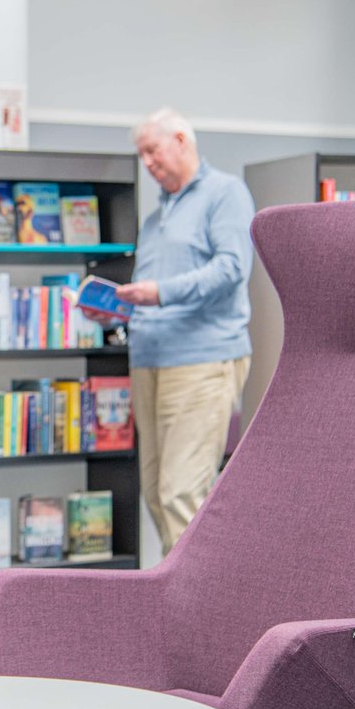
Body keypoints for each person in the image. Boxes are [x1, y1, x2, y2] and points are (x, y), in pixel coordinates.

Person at [119, 108, 254, 556]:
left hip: (201, 361)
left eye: (152, 151)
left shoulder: (224, 193)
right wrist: (120, 310)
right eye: (141, 155)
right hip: (150, 362)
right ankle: (175, 599)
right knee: (157, 492)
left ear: (180, 139)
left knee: (183, 494)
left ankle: (198, 616)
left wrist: (159, 293)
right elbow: (153, 294)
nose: (148, 163)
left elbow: (232, 269)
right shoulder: (157, 218)